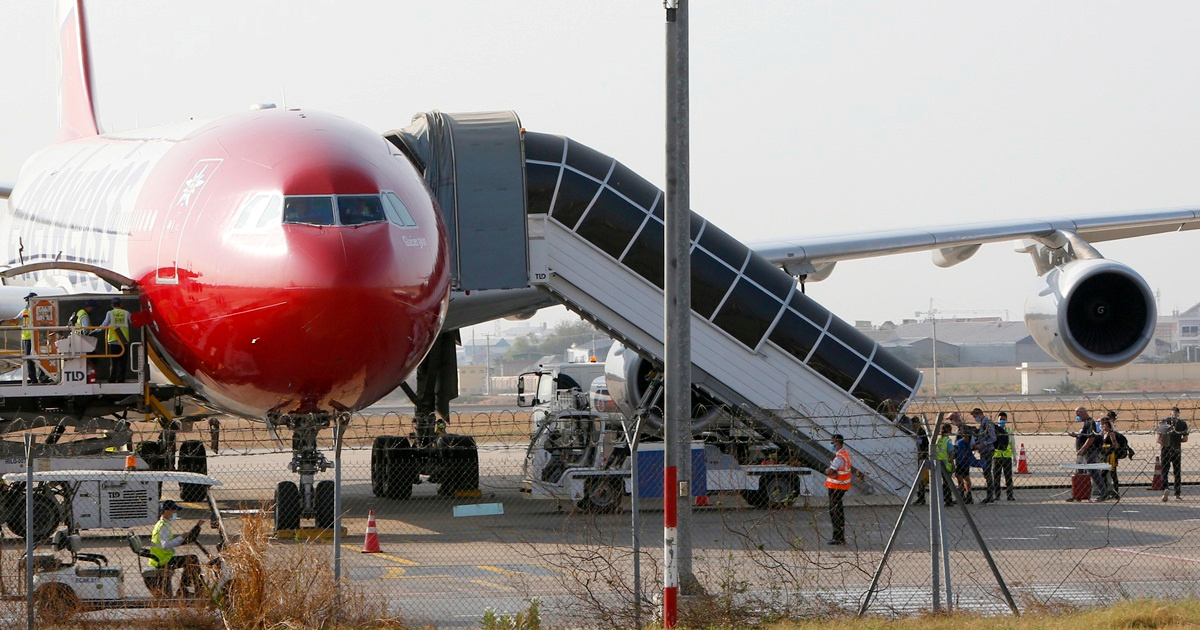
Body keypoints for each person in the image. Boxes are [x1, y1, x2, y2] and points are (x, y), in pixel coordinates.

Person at [149, 500, 202, 597]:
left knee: (191, 559)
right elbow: (165, 545)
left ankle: (184, 588)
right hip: (163, 560)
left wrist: (182, 538)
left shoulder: (164, 524)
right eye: (173, 510)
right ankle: (193, 589)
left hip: (162, 557)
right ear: (166, 511)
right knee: (192, 559)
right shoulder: (163, 526)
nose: (175, 513)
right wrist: (181, 538)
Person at [1067, 405, 1108, 502]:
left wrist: (1083, 449)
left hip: (1090, 451)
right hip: (1084, 452)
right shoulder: (1085, 423)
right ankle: (1078, 494)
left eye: (1078, 413)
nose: (1077, 416)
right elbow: (1084, 436)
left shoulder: (1090, 422)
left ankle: (1104, 492)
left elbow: (1091, 438)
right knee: (1080, 472)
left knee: (1093, 471)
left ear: (1083, 413)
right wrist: (1076, 435)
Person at [824, 434, 851, 545]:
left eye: (832, 443)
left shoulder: (840, 457)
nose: (831, 445)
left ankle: (838, 537)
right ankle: (839, 537)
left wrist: (828, 470)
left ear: (838, 443)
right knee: (836, 510)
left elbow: (830, 471)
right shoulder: (843, 454)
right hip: (839, 486)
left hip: (837, 487)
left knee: (835, 512)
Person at [1158, 407, 1189, 501]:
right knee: (1177, 472)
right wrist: (1177, 440)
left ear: (1170, 413)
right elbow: (1185, 439)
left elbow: (1159, 438)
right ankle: (1177, 494)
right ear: (1178, 414)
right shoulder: (1182, 424)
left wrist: (1164, 443)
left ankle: (1166, 488)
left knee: (1164, 471)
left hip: (1165, 449)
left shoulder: (1163, 422)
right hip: (1176, 449)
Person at [971, 408, 999, 504]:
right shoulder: (983, 423)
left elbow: (993, 438)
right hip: (983, 451)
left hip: (988, 451)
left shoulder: (987, 423)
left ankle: (990, 495)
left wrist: (983, 444)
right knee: (986, 473)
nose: (975, 418)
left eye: (975, 416)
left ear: (979, 414)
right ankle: (989, 495)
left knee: (987, 473)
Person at [99, 297, 131, 383]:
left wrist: (95, 330)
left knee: (114, 362)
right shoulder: (126, 313)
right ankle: (121, 379)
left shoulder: (110, 313)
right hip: (123, 340)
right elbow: (133, 322)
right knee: (123, 362)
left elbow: (105, 324)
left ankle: (112, 379)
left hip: (113, 340)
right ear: (121, 304)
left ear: (112, 305)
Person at [992, 411, 1016, 501]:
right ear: (997, 420)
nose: (1002, 421)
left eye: (1004, 419)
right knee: (996, 477)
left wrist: (1015, 457)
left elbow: (1012, 444)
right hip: (996, 456)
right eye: (1000, 419)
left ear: (1006, 420)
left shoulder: (1009, 431)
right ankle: (997, 495)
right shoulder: (994, 430)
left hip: (1007, 457)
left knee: (1008, 477)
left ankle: (1010, 495)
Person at [1100, 416, 1122, 500]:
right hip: (1106, 456)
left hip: (1111, 457)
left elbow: (1115, 445)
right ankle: (1110, 492)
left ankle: (1113, 492)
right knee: (1106, 475)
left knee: (1111, 475)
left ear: (1106, 424)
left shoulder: (1111, 433)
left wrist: (1108, 451)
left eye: (1102, 424)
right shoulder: (1104, 433)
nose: (1101, 426)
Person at [935, 422, 956, 506]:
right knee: (947, 483)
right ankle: (948, 500)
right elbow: (951, 453)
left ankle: (940, 499)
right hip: (946, 464)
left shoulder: (939, 440)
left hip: (938, 463)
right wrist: (953, 464)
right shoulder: (948, 441)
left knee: (940, 484)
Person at [953, 426, 976, 504]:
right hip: (961, 461)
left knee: (964, 477)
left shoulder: (966, 442)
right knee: (960, 476)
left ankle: (966, 494)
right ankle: (963, 494)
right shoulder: (960, 442)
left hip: (964, 461)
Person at [914, 421, 930, 506]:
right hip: (920, 457)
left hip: (923, 458)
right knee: (920, 480)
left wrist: (923, 454)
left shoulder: (922, 433)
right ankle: (920, 497)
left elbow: (925, 445)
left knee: (922, 480)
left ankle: (922, 498)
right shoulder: (918, 433)